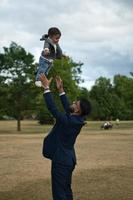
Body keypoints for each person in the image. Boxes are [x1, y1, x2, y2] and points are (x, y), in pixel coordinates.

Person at [39, 74, 91, 200]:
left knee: (59, 194)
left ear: (78, 110)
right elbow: (68, 108)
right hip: (68, 160)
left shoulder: (70, 121)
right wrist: (61, 90)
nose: (73, 102)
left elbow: (53, 109)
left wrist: (46, 88)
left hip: (61, 161)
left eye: (75, 103)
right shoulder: (76, 119)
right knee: (66, 190)